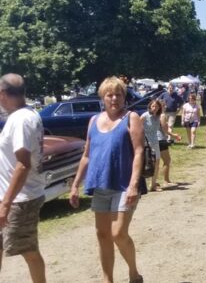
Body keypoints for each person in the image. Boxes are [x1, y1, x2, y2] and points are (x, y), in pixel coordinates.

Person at [69, 76, 145, 283]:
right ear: (103, 97)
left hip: (124, 184)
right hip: (100, 183)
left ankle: (133, 273)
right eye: (109, 95)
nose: (114, 98)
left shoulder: (131, 118)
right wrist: (75, 185)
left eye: (118, 94)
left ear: (124, 97)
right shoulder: (94, 120)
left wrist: (133, 185)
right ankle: (107, 279)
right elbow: (86, 155)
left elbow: (139, 152)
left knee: (118, 233)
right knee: (103, 236)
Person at [0, 74, 46, 283]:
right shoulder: (24, 115)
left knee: (27, 249)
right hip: (12, 197)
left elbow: (23, 164)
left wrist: (6, 204)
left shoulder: (20, 120)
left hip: (21, 199)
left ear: (2, 94)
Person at [140, 99, 166, 191]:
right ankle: (141, 184)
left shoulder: (158, 116)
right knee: (145, 163)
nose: (155, 108)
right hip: (145, 143)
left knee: (157, 163)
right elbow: (137, 127)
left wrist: (168, 135)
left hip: (155, 142)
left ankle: (153, 184)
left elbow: (161, 128)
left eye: (156, 106)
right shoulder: (145, 115)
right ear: (150, 107)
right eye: (153, 106)